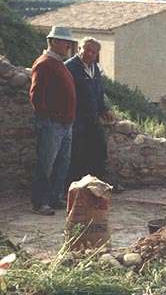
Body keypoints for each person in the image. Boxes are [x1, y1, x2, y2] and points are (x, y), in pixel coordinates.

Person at [29, 26, 77, 216]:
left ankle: (54, 197)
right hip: (53, 124)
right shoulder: (44, 63)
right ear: (54, 42)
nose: (68, 46)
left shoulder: (58, 63)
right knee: (46, 164)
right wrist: (49, 118)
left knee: (61, 163)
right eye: (65, 42)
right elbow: (36, 96)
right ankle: (40, 202)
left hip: (64, 123)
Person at [65, 37, 115, 190]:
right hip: (76, 119)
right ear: (79, 49)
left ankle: (97, 186)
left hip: (92, 118)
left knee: (99, 150)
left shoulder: (95, 68)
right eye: (87, 50)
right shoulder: (69, 67)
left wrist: (104, 109)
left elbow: (99, 92)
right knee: (77, 154)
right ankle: (74, 189)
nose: (90, 54)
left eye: (94, 52)